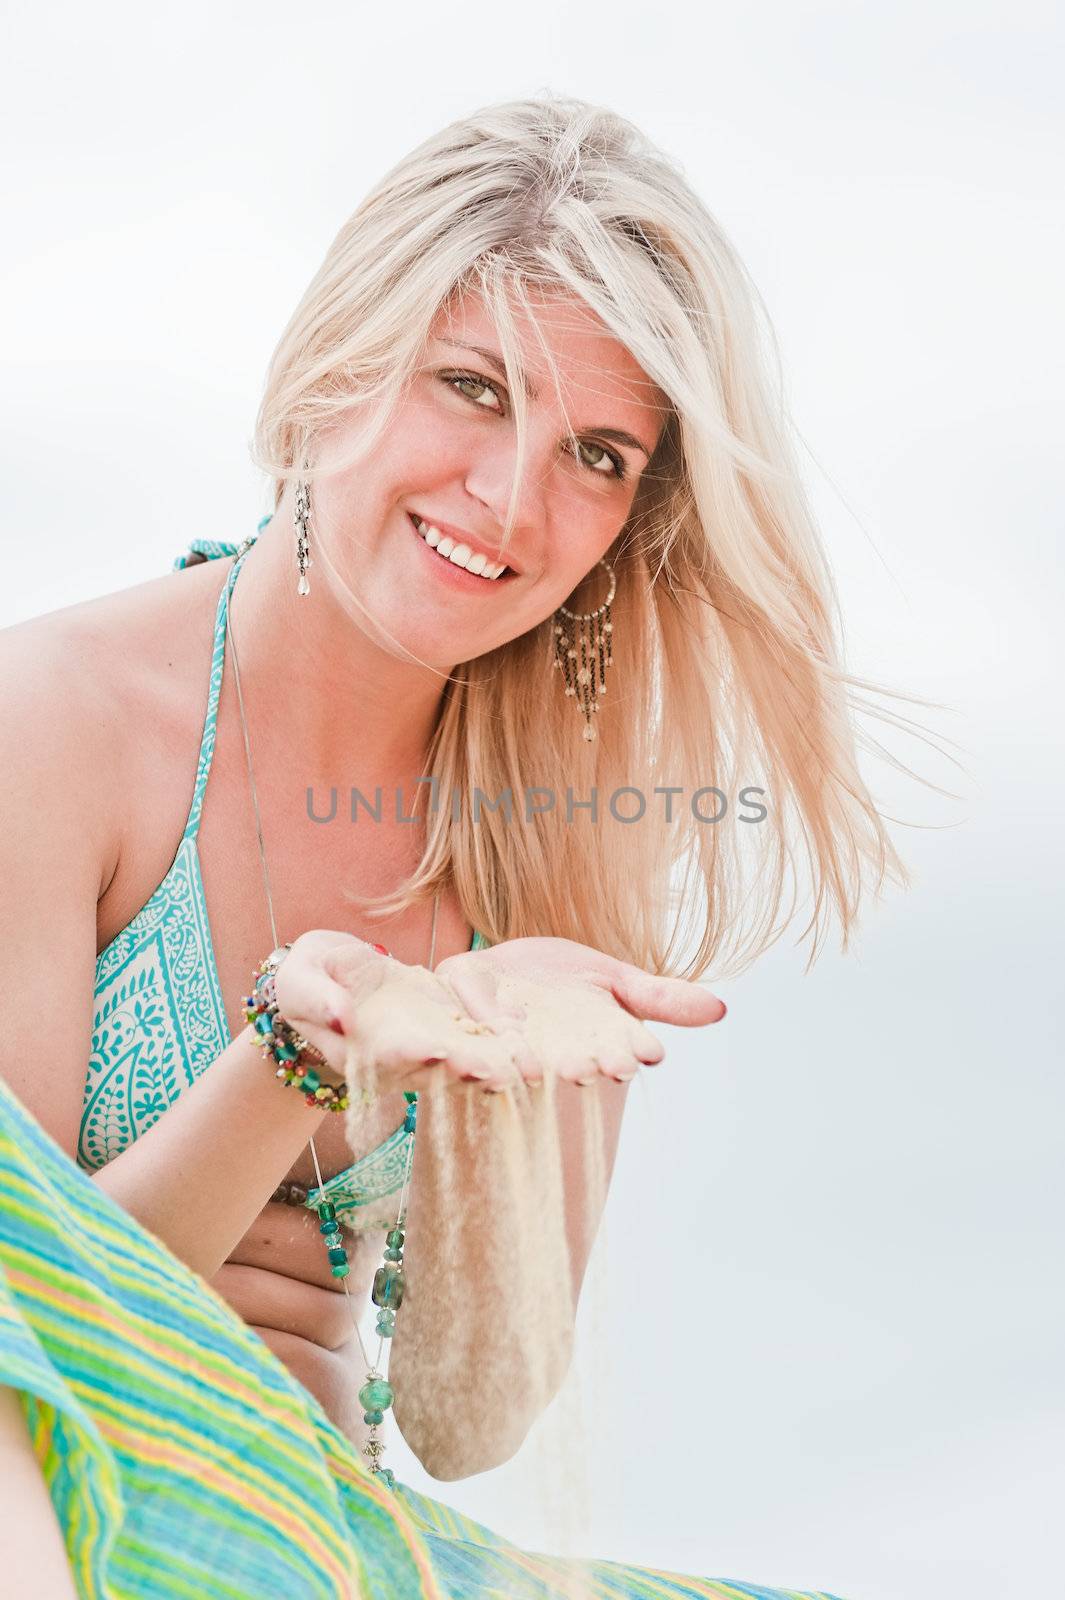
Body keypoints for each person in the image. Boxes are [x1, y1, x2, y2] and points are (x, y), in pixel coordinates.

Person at [0, 92, 900, 1594]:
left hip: (321, 1536)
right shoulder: (59, 720)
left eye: (597, 456)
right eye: (473, 388)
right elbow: (27, 1306)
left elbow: (467, 1419)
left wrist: (497, 1093)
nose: (510, 501)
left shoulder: (560, 838)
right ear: (342, 363)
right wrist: (291, 1068)